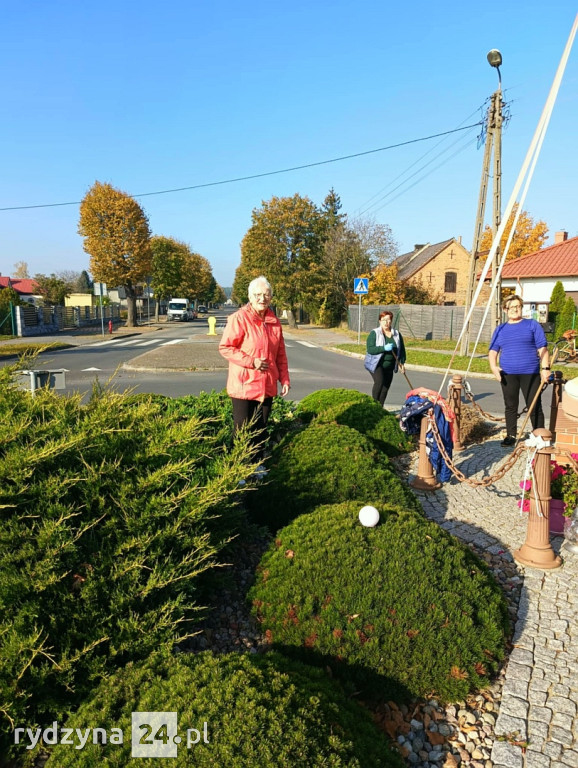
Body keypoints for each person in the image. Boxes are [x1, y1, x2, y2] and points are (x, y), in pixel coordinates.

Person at [219, 276, 290, 462]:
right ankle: (239, 469)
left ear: (271, 297)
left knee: (261, 430)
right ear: (250, 297)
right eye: (258, 295)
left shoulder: (274, 322)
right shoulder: (239, 319)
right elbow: (225, 347)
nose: (262, 298)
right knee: (242, 431)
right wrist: (251, 362)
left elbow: (280, 354)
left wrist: (285, 379)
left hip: (266, 385)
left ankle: (256, 467)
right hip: (244, 385)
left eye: (266, 294)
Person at [488, 294, 550, 447]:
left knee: (534, 405)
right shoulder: (500, 329)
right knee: (510, 405)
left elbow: (543, 348)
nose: (515, 309)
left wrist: (545, 368)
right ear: (505, 309)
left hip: (531, 373)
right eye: (512, 307)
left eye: (518, 306)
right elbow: (493, 351)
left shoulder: (532, 325)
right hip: (508, 374)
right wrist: (494, 368)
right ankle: (511, 435)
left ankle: (539, 436)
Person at [366, 310, 406, 406]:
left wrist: (402, 364)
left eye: (388, 320)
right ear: (380, 321)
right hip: (376, 363)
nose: (386, 322)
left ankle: (380, 408)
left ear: (391, 321)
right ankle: (373, 406)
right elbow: (370, 349)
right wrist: (384, 348)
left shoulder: (396, 334)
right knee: (379, 382)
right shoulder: (374, 333)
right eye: (383, 320)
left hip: (390, 365)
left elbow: (402, 350)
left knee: (385, 388)